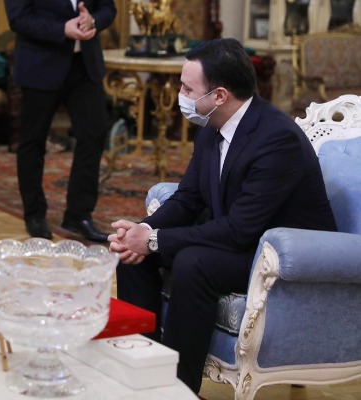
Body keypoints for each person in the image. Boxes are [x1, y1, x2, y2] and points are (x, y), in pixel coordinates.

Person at [108, 38, 337, 396]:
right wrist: (143, 230)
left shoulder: (277, 139)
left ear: (219, 95)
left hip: (284, 255)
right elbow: (188, 198)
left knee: (193, 262)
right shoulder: (212, 127)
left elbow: (240, 229)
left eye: (187, 89)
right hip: (242, 238)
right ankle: (144, 375)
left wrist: (154, 240)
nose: (180, 96)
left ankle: (177, 390)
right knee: (132, 257)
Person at [5, 0, 116, 242]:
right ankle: (34, 214)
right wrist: (62, 29)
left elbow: (108, 8)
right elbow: (18, 18)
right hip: (40, 64)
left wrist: (93, 20)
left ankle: (79, 214)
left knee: (94, 134)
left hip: (84, 65)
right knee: (33, 141)